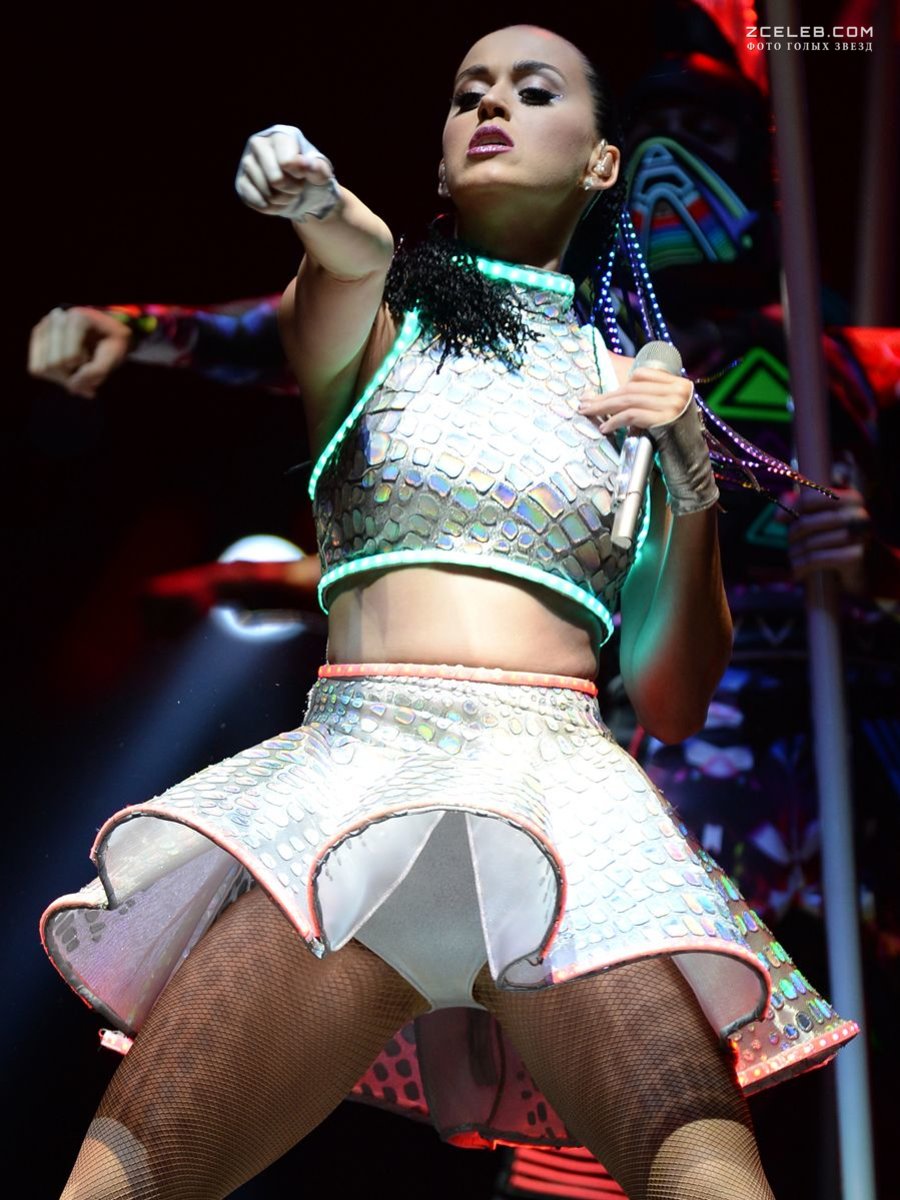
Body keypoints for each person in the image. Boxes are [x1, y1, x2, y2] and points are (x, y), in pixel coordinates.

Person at [41, 25, 857, 1200]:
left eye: (533, 90)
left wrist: (690, 490)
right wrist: (320, 202)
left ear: (602, 163)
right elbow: (351, 253)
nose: (492, 105)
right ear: (437, 156)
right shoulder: (377, 323)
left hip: (570, 835)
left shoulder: (634, 393)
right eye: (469, 91)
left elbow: (673, 702)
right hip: (348, 824)